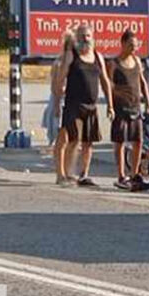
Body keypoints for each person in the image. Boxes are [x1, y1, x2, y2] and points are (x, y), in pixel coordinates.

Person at [52, 23, 114, 187]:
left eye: (87, 36)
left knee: (88, 142)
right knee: (69, 139)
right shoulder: (71, 55)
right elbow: (60, 80)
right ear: (76, 38)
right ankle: (62, 174)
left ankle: (83, 175)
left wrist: (110, 105)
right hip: (73, 105)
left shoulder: (97, 56)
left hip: (91, 106)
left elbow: (105, 81)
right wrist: (57, 104)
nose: (84, 39)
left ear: (92, 37)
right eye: (81, 36)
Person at [109, 30, 149, 189]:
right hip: (120, 108)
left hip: (136, 107)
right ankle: (121, 175)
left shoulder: (136, 61)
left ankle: (135, 174)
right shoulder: (114, 63)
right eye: (130, 45)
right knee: (120, 142)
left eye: (135, 46)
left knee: (138, 141)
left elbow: (142, 83)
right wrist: (110, 104)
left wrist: (148, 101)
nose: (133, 49)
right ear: (122, 43)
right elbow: (109, 85)